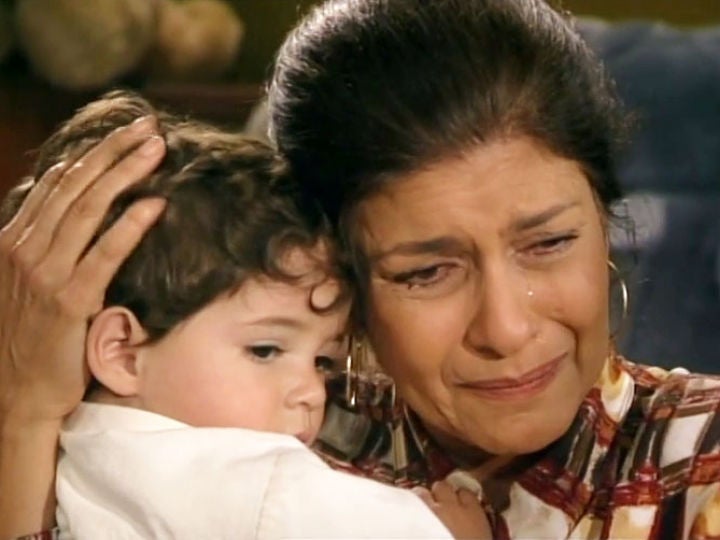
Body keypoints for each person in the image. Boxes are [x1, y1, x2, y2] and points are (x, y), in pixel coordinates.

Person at [1, 0, 719, 539]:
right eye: (426, 272)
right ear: (342, 279)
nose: (505, 328)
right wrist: (27, 410)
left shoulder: (697, 459)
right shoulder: (244, 418)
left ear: (605, 220)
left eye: (550, 243)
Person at [0, 90, 491, 539]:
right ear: (122, 352)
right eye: (265, 350)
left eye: (323, 362)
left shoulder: (66, 455)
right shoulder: (262, 478)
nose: (312, 392)